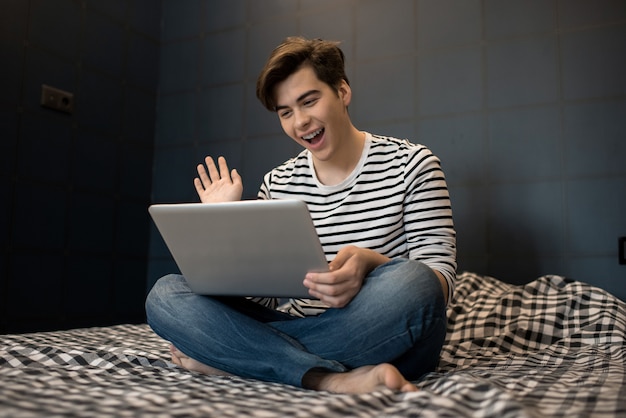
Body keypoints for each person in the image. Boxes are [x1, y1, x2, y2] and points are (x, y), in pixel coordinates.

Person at [146, 36, 456, 394]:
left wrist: (370, 263)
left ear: (342, 91)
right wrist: (226, 223)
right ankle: (327, 378)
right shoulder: (278, 182)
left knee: (414, 283)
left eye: (309, 101)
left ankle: (236, 360)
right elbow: (262, 300)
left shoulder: (414, 165)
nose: (301, 122)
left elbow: (440, 281)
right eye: (286, 112)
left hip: (383, 329)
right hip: (303, 325)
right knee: (165, 294)